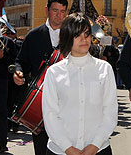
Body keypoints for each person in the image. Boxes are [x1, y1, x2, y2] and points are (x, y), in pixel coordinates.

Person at [42, 14, 117, 155]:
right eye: (77, 35)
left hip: (99, 149)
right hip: (60, 151)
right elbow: (50, 115)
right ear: (67, 37)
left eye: (87, 34)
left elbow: (110, 112)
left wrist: (94, 145)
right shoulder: (54, 72)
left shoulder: (105, 69)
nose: (84, 39)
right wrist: (68, 148)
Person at [13, 0, 68, 155]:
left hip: (67, 103)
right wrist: (18, 72)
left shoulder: (71, 36)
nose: (59, 15)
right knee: (41, 149)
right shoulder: (33, 36)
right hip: (40, 103)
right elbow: (20, 61)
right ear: (47, 10)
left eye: (63, 11)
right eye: (55, 10)